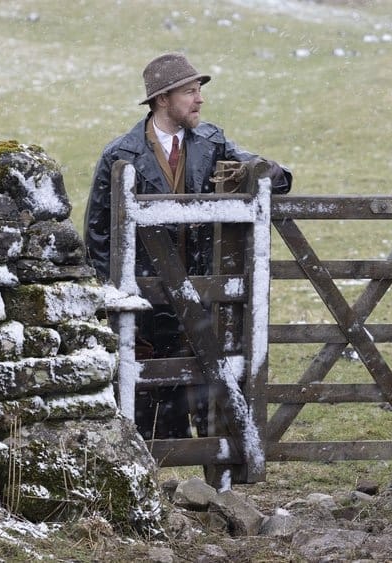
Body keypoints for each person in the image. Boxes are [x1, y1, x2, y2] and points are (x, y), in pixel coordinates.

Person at [84, 52, 292, 439]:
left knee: (207, 377)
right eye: (190, 92)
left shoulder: (212, 142)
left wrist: (258, 170)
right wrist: (115, 295)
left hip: (203, 286)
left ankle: (213, 475)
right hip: (145, 293)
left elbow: (274, 180)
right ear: (163, 99)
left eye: (199, 92)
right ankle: (152, 472)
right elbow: (97, 234)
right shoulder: (120, 155)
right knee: (146, 386)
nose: (200, 100)